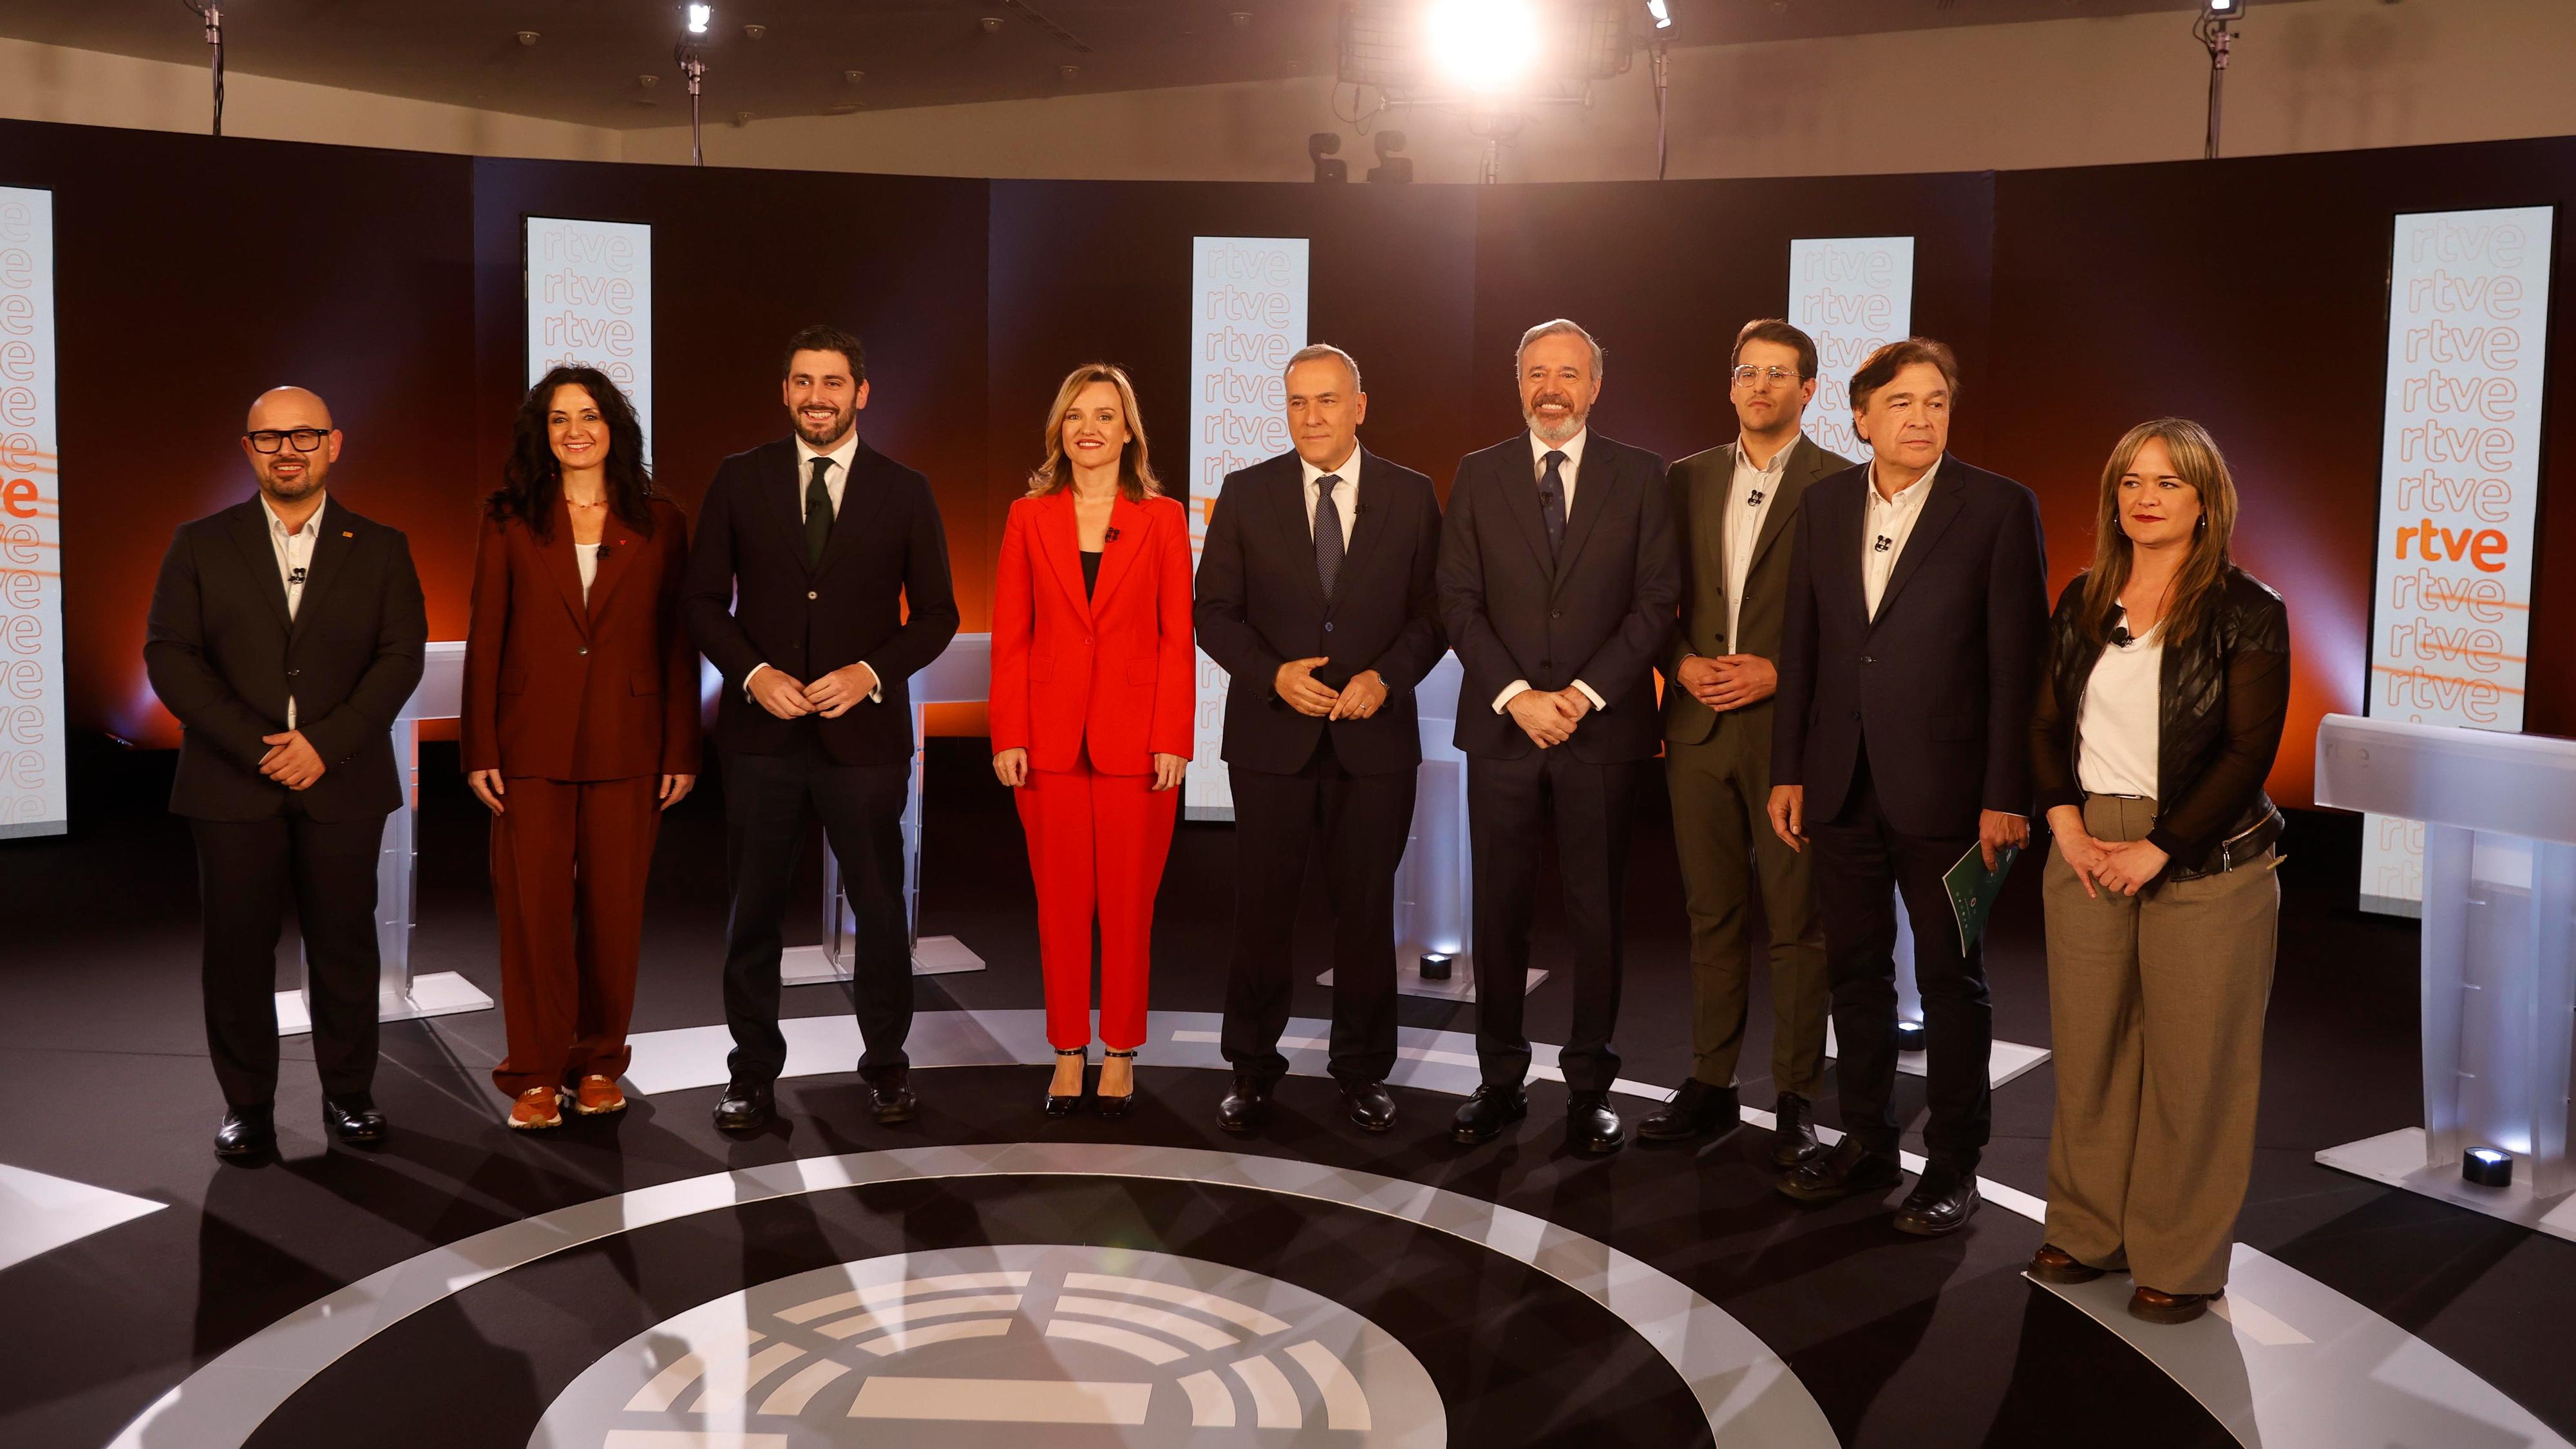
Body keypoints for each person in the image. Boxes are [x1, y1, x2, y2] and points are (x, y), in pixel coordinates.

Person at [1768, 336, 2047, 1234]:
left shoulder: (1998, 507)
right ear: (1860, 418)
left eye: (1935, 402)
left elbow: (2018, 665)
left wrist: (2006, 792)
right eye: (1900, 403)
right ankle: (1867, 1140)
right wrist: (1788, 769)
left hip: (1953, 790)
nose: (1920, 418)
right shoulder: (1822, 504)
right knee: (1854, 972)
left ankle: (1955, 1163)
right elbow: (1802, 647)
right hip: (1839, 781)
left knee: (1950, 978)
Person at [2026, 419, 2288, 1324]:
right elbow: (2044, 723)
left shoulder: (2250, 608)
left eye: (2168, 483)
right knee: (2091, 1051)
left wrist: (2160, 846)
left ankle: (2178, 1257)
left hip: (2207, 854)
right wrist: (2066, 824)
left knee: (2194, 1063)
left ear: (2206, 500)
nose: (2146, 498)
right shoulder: (2084, 597)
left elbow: (2248, 752)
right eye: (2132, 482)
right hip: (2086, 843)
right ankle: (2086, 1229)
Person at [681, 326, 959, 1134]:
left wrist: (870, 673)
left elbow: (937, 614)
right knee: (754, 914)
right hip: (761, 738)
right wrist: (754, 674)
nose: (817, 397)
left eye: (833, 382)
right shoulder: (740, 478)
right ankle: (750, 1076)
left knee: (879, 912)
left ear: (861, 392)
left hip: (863, 740)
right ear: (784, 391)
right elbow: (701, 600)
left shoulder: (906, 489)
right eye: (803, 381)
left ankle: (887, 1069)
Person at [144, 386, 428, 1159]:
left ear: (334, 444)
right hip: (232, 781)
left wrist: (324, 744)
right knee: (236, 953)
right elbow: (170, 656)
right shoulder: (199, 543)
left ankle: (350, 1095)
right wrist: (261, 746)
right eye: (269, 438)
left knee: (346, 947)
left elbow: (400, 656)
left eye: (304, 436)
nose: (287, 451)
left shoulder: (382, 545)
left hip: (344, 778)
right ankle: (248, 1107)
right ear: (248, 450)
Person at [1437, 319, 1679, 1156]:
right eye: (1537, 372)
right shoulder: (1477, 474)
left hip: (1600, 730)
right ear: (1519, 383)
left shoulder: (1641, 475)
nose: (1551, 388)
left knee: (1596, 915)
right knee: (1497, 912)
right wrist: (1517, 697)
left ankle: (1589, 1089)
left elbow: (1656, 601)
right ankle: (1498, 1081)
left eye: (1568, 373)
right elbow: (1456, 599)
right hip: (1503, 730)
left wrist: (1577, 695)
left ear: (1595, 385)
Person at [1195, 343, 1446, 1135]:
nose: (1311, 416)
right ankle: (1250, 1070)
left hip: (1373, 742)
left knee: (1366, 915)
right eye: (1297, 401)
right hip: (1271, 740)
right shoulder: (1246, 492)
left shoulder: (1412, 495)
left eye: (1327, 400)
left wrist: (1386, 678)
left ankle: (1362, 1072)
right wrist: (1272, 676)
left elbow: (1435, 613)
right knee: (1261, 914)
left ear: (1359, 406)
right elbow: (1213, 613)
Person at [462, 368, 700, 1131]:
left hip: (631, 742)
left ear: (613, 427)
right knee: (532, 915)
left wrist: (681, 748)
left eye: (589, 415)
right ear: (542, 432)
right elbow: (486, 636)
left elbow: (676, 643)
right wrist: (479, 745)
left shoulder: (661, 522)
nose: (575, 430)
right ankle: (533, 1072)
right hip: (528, 743)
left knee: (614, 914)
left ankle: (598, 1064)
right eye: (559, 418)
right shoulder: (507, 518)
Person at [1642, 320, 1850, 1164]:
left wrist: (1779, 673)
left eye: (1779, 373)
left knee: (1798, 921)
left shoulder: (1843, 483)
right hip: (1697, 727)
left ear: (1809, 390)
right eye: (1747, 372)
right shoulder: (1684, 478)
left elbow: (1857, 617)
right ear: (1730, 386)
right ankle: (1711, 1078)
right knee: (1712, 913)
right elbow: (1648, 598)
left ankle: (1796, 1094)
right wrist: (1681, 663)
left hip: (1790, 733)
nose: (1760, 386)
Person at [989, 363, 1195, 1119]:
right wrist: (1008, 731)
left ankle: (1122, 1050)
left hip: (1136, 743)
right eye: (1076, 415)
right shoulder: (1027, 516)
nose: (1089, 429)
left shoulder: (1162, 519)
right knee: (1061, 907)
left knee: (1129, 907)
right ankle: (1068, 1049)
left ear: (1128, 431)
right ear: (1059, 429)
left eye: (1105, 415)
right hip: (1045, 742)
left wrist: (1172, 736)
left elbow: (1177, 638)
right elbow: (1011, 635)